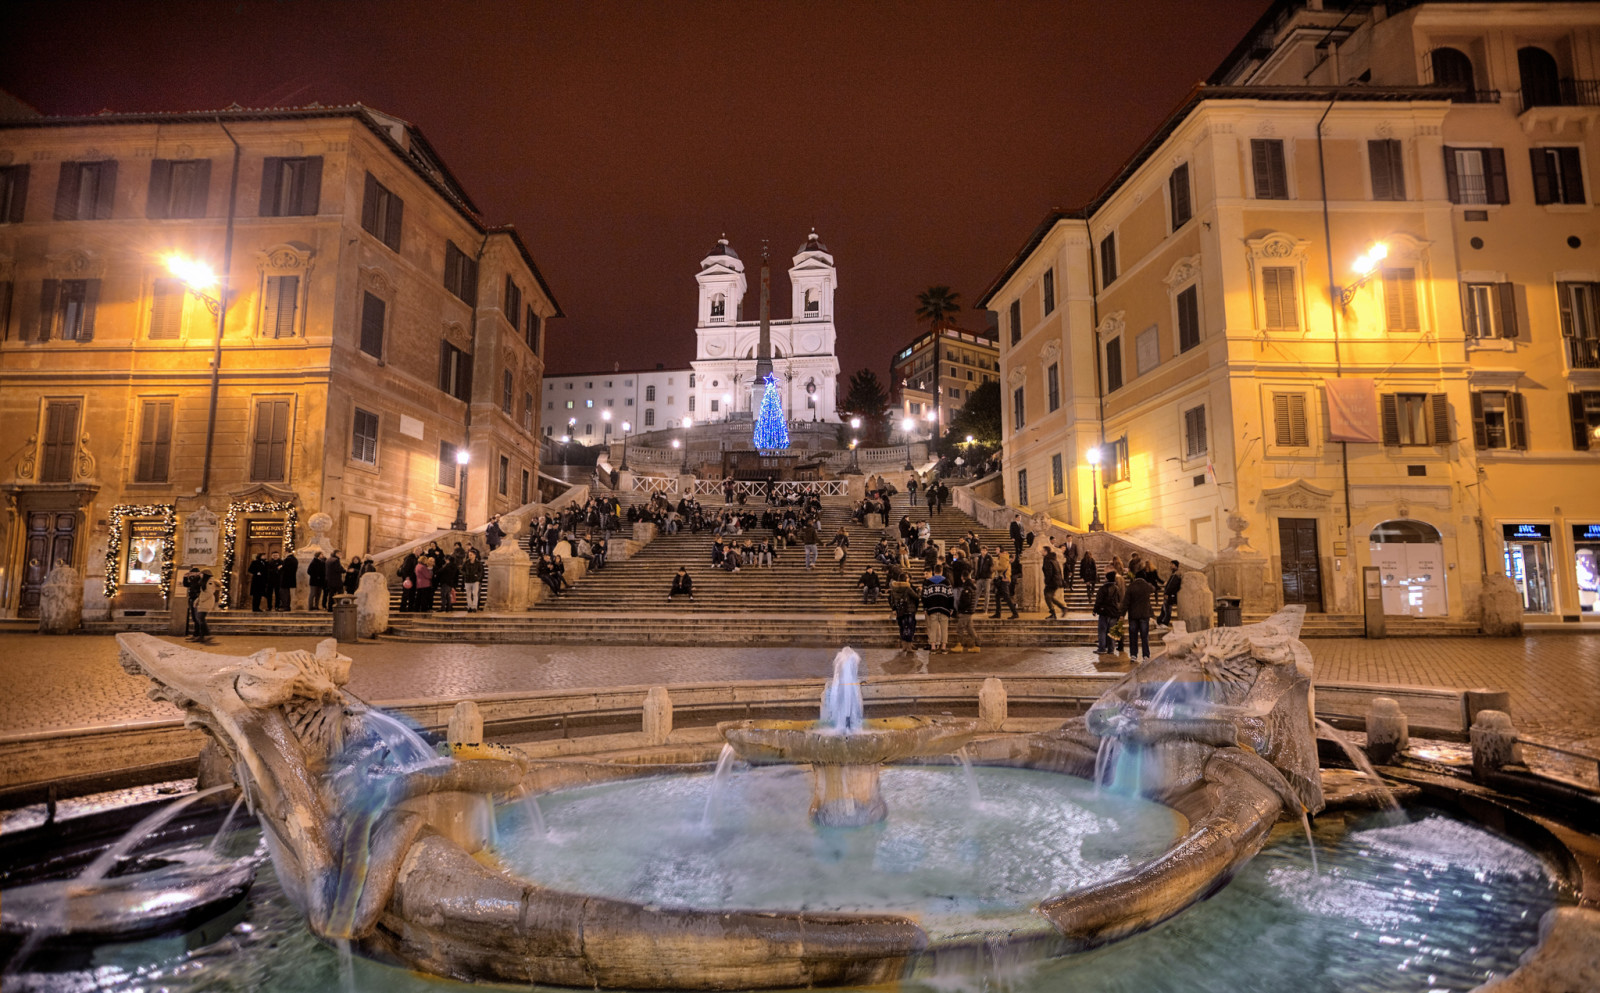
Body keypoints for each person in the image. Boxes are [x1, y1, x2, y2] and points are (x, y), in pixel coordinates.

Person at [921, 567, 955, 654]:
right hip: (944, 608)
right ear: (941, 571)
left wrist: (925, 608)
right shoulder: (946, 581)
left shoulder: (928, 582)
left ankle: (933, 647)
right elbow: (951, 596)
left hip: (932, 608)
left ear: (934, 572)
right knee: (944, 629)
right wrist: (951, 608)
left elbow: (924, 596)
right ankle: (943, 647)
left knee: (933, 628)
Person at [1125, 569, 1155, 662]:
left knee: (1133, 636)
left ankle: (1133, 655)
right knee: (1144, 636)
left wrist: (1122, 613)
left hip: (1133, 615)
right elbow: (1153, 589)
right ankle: (1146, 655)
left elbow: (1126, 601)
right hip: (1144, 615)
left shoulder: (1131, 586)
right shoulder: (1147, 586)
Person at [887, 569, 919, 654]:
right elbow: (916, 597)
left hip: (900, 611)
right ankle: (909, 647)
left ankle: (904, 646)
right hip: (909, 610)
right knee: (910, 628)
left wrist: (894, 609)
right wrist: (919, 591)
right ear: (905, 579)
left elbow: (891, 599)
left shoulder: (894, 588)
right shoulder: (907, 588)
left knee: (902, 628)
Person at [1093, 569, 1124, 655]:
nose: (1104, 579)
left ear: (1107, 579)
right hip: (1114, 612)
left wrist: (1095, 610)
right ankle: (1111, 649)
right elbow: (1119, 601)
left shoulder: (1103, 588)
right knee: (1111, 632)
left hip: (1104, 612)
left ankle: (1102, 648)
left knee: (1102, 631)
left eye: (1105, 577)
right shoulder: (1117, 589)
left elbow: (1098, 601)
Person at [951, 577, 980, 653]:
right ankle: (977, 645)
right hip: (969, 611)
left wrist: (960, 609)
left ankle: (959, 645)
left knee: (959, 628)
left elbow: (966, 602)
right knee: (970, 629)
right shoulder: (972, 587)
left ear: (962, 578)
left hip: (965, 612)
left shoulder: (967, 589)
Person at [989, 547, 1019, 619]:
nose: (995, 550)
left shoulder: (1003, 557)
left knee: (1006, 597)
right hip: (1002, 578)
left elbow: (1003, 567)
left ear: (1000, 550)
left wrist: (994, 568)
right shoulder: (1001, 557)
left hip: (1004, 579)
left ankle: (1015, 613)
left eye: (997, 549)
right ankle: (998, 613)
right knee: (997, 596)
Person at [190, 570, 218, 644]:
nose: (200, 575)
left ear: (205, 575)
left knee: (201, 618)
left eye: (201, 574)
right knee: (200, 619)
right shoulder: (205, 582)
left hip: (206, 602)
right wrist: (197, 601)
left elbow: (209, 593)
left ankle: (207, 634)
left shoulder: (209, 582)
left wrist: (201, 600)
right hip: (203, 602)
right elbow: (203, 593)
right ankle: (202, 636)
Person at [1042, 546, 1067, 619]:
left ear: (1046, 552)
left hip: (1052, 581)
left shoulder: (1047, 560)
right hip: (1056, 581)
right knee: (1050, 597)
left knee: (1047, 596)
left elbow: (1049, 572)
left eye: (1043, 551)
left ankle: (1055, 612)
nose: (1042, 552)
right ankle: (1060, 609)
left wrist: (1047, 581)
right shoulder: (1053, 559)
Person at [181, 565, 204, 636]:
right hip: (192, 598)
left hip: (197, 599)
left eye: (192, 573)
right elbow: (186, 585)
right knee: (194, 617)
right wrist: (185, 577)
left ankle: (198, 633)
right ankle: (196, 632)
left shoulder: (199, 580)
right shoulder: (192, 579)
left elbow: (200, 585)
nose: (191, 575)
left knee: (197, 617)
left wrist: (199, 576)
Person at [1158, 560, 1182, 627]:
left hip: (1170, 595)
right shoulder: (1174, 573)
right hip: (1169, 594)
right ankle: (1160, 621)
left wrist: (1167, 593)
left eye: (1172, 564)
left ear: (1175, 565)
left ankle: (1165, 623)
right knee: (1164, 608)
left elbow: (1172, 585)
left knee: (1167, 609)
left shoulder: (1176, 574)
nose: (1170, 566)